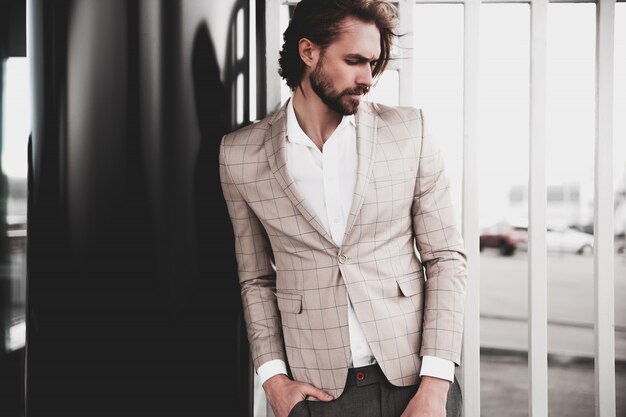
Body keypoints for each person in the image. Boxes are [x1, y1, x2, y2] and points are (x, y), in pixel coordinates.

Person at [219, 0, 467, 416]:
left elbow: (446, 258)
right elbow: (255, 279)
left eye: (373, 64)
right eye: (354, 61)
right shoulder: (240, 155)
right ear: (308, 52)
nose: (368, 78)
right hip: (317, 393)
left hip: (413, 385)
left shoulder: (409, 132)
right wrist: (273, 380)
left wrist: (436, 384)